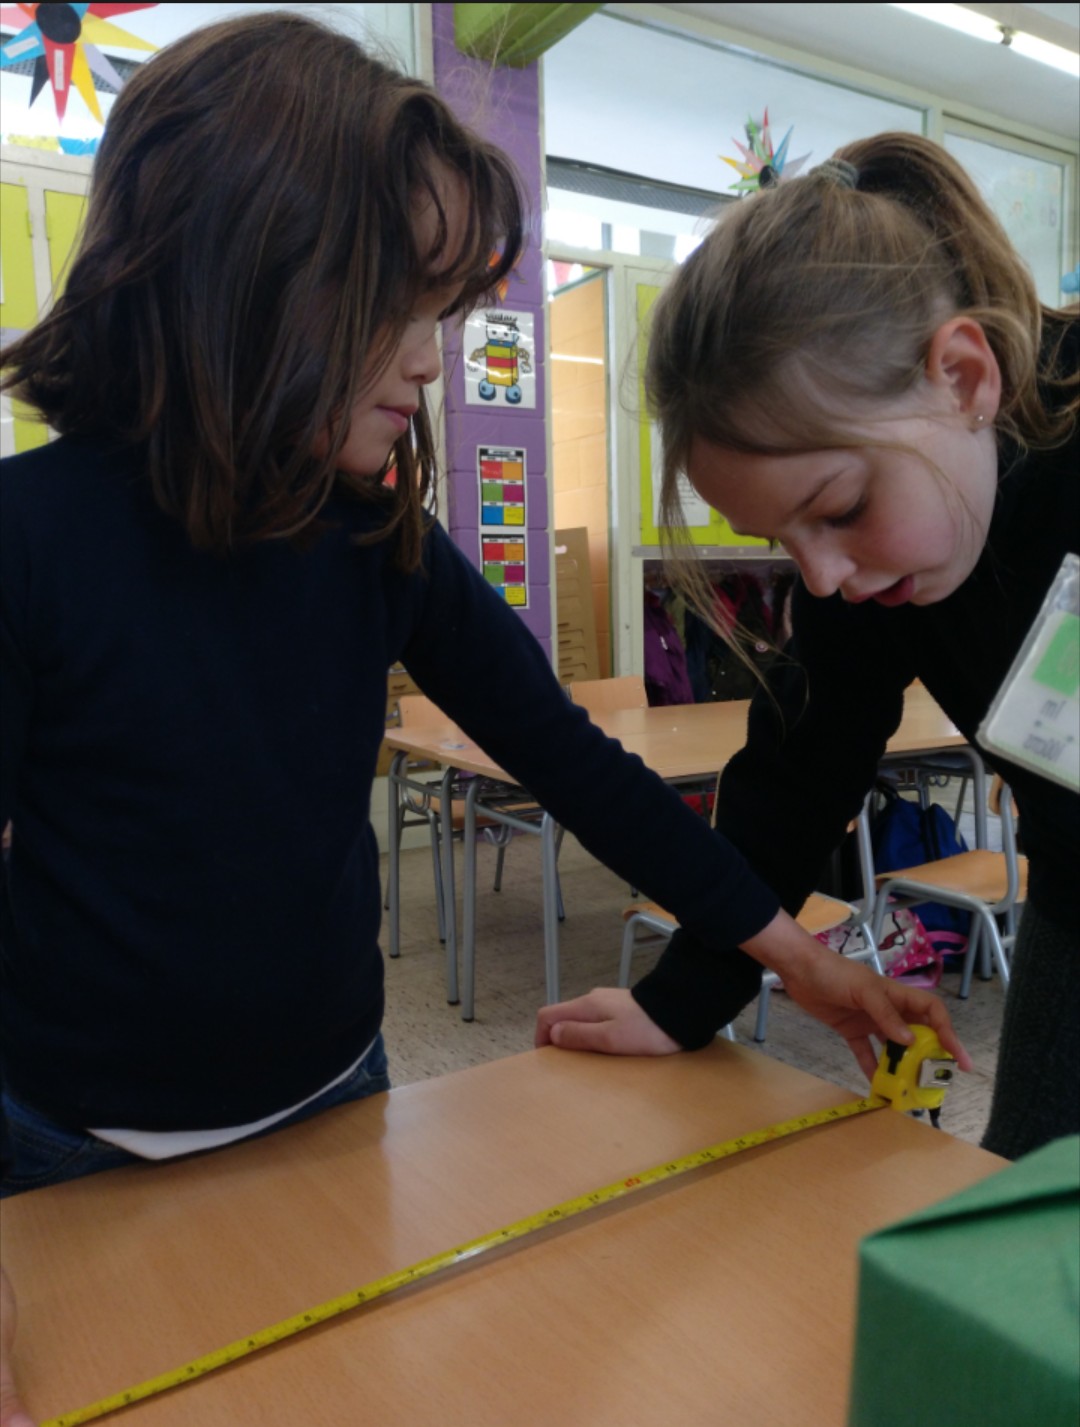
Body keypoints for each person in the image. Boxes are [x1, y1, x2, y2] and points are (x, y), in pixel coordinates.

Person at [0, 18, 967, 1420]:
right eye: (405, 304)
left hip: (338, 1099)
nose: (434, 361)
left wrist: (796, 959)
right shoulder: (29, 541)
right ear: (250, 270)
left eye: (447, 310)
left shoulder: (371, 535)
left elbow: (573, 759)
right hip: (68, 1149)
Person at [537, 134, 1078, 1167]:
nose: (823, 576)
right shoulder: (874, 570)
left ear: (964, 376)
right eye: (785, 541)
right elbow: (797, 773)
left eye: (840, 508)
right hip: (1076, 889)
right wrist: (684, 998)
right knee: (1025, 1215)